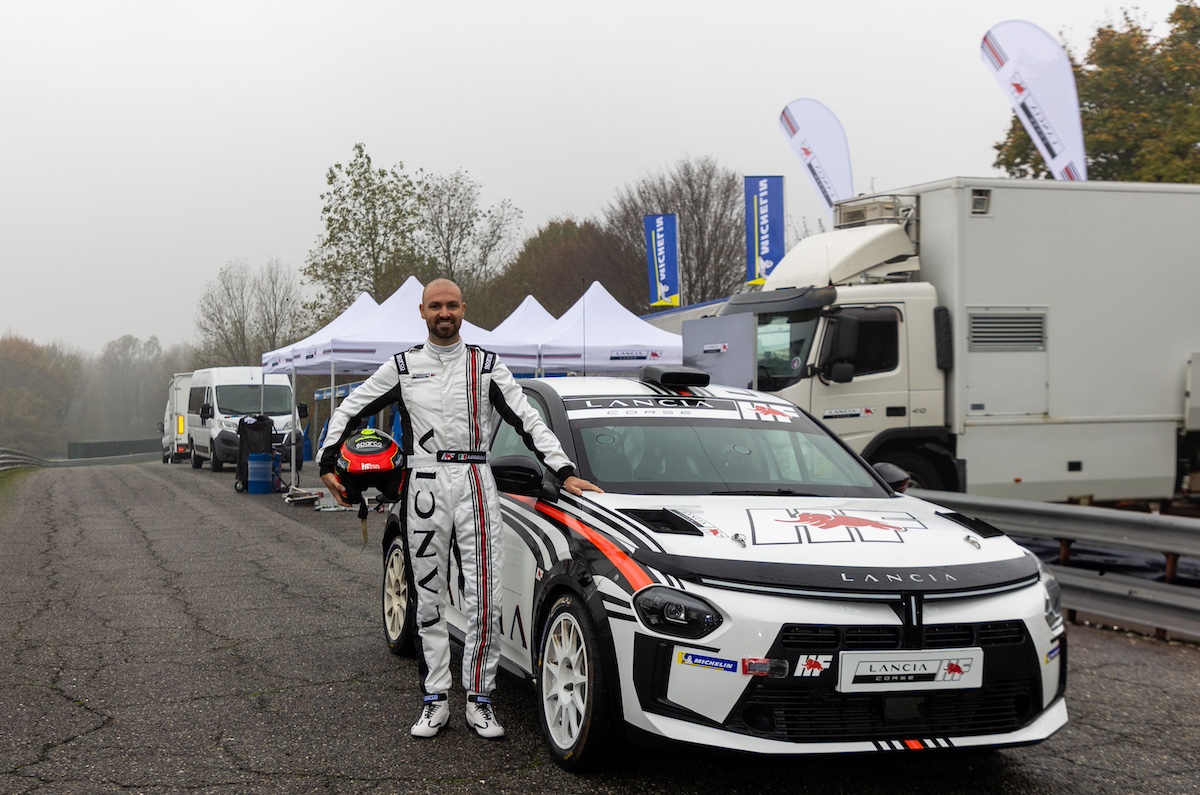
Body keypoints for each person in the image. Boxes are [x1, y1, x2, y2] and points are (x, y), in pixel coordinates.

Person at [318, 278, 602, 740]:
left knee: (484, 598)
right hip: (425, 485)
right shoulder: (404, 366)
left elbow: (528, 419)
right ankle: (434, 699)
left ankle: (480, 700)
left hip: (475, 481)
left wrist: (565, 471)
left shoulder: (487, 366)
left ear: (463, 310)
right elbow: (350, 407)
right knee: (428, 595)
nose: (444, 313)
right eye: (436, 306)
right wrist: (326, 462)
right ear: (422, 311)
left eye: (451, 305)